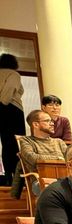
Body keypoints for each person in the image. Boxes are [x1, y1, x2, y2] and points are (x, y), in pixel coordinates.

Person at [18, 110, 68, 176]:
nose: (52, 124)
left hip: (64, 177)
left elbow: (70, 159)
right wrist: (58, 158)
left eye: (51, 121)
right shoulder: (26, 140)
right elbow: (32, 158)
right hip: (41, 178)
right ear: (36, 124)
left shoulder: (59, 142)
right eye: (47, 121)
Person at [2, 55, 27, 186]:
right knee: (17, 143)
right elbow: (10, 88)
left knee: (6, 143)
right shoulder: (13, 74)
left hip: (3, 110)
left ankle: (8, 177)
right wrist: (3, 102)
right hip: (12, 109)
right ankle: (17, 179)